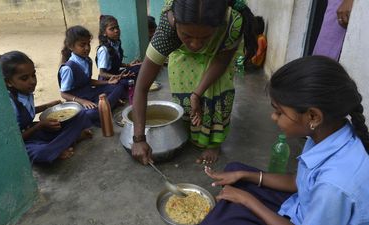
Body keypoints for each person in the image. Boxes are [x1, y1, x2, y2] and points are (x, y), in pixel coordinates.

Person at [201, 56, 369, 225]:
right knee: (235, 170)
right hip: (300, 205)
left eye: (279, 112)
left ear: (313, 116)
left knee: (224, 216)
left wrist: (247, 200)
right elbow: (300, 182)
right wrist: (243, 175)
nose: (273, 117)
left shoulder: (334, 185)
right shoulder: (328, 132)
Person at [131, 0, 257, 165]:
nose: (196, 45)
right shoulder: (166, 29)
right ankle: (189, 134)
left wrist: (197, 93)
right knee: (186, 104)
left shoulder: (233, 22)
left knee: (217, 96)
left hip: (215, 56)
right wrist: (139, 138)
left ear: (219, 25)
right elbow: (141, 87)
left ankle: (213, 143)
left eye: (205, 37)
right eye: (187, 35)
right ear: (175, 22)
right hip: (183, 61)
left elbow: (221, 61)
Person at [0, 51, 93, 163]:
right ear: (8, 82)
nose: (32, 81)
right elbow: (14, 140)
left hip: (35, 131)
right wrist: (40, 125)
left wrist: (47, 106)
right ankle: (66, 142)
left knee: (81, 114)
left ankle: (61, 143)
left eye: (33, 75)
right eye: (24, 78)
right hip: (25, 141)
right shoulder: (10, 104)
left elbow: (28, 111)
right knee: (41, 152)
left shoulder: (26, 92)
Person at [59, 25, 125, 126]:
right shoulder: (68, 68)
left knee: (118, 86)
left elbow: (88, 81)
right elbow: (64, 94)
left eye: (88, 44)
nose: (87, 48)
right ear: (71, 46)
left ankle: (104, 108)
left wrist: (107, 82)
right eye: (82, 45)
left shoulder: (87, 60)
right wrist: (83, 101)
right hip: (79, 101)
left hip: (91, 93)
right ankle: (105, 108)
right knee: (91, 113)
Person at [95, 15, 141, 83]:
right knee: (127, 83)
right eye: (112, 29)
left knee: (139, 67)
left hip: (117, 74)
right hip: (109, 79)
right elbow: (102, 73)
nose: (116, 31)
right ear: (104, 33)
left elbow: (114, 64)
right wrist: (119, 76)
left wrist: (128, 65)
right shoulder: (103, 50)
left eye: (117, 27)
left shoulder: (116, 44)